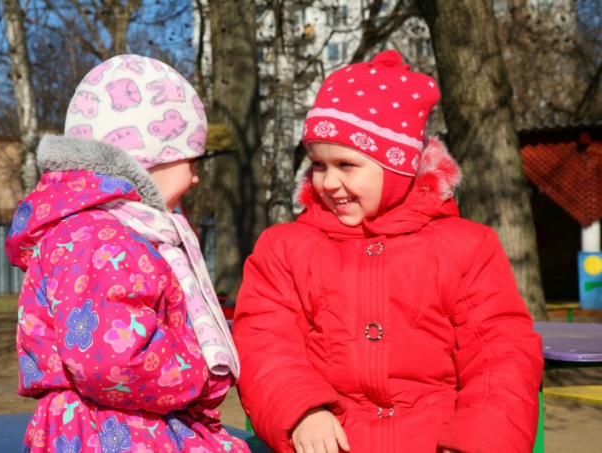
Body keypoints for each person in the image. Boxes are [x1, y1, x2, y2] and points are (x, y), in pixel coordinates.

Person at [232, 50, 543, 453]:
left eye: (346, 165)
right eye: (318, 165)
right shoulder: (286, 247)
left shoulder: (466, 246)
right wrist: (302, 410)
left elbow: (500, 353)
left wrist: (476, 438)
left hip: (436, 438)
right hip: (330, 440)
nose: (328, 182)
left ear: (397, 168)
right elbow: (264, 340)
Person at [5, 54, 250, 452]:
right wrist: (199, 372)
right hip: (116, 435)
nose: (194, 175)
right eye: (189, 160)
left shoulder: (101, 232)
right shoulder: (104, 241)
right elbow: (110, 362)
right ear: (149, 161)